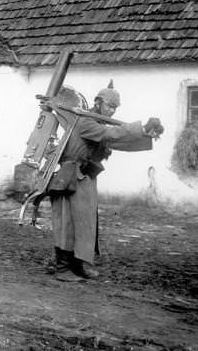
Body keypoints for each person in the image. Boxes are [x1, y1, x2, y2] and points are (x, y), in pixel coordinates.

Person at [49, 80, 164, 282]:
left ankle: (78, 265)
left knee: (85, 224)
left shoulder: (98, 122)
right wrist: (141, 127)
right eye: (109, 106)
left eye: (114, 108)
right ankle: (63, 268)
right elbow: (110, 134)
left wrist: (146, 133)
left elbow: (119, 141)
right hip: (70, 177)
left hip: (85, 178)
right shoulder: (85, 121)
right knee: (67, 223)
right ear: (98, 102)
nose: (111, 111)